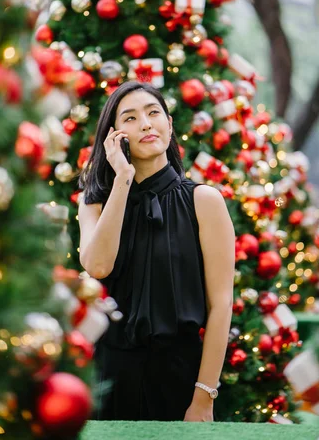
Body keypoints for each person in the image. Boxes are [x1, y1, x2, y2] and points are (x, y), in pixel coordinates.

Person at [78, 81, 235, 422]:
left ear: (169, 123)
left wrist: (204, 395)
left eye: (153, 113)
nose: (146, 123)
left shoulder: (204, 201)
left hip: (180, 377)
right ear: (114, 136)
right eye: (131, 118)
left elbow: (220, 304)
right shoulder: (94, 204)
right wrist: (122, 178)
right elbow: (98, 266)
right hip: (108, 377)